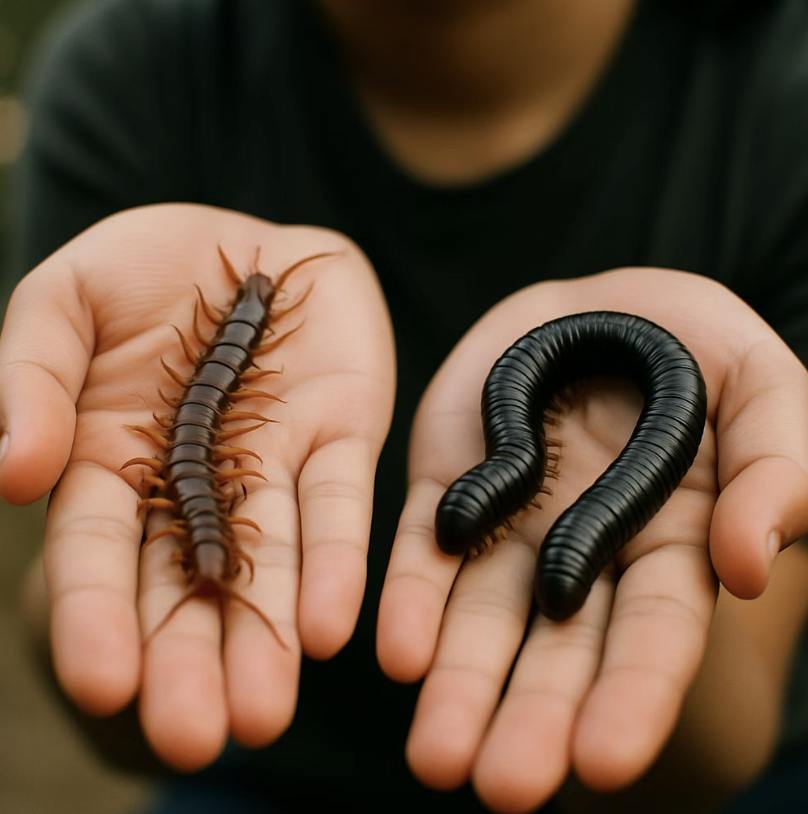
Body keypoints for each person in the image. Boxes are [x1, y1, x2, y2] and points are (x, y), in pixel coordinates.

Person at [3, 0, 808, 812]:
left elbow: (718, 758)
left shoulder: (782, 105)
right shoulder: (131, 79)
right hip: (265, 772)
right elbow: (101, 651)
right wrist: (107, 632)